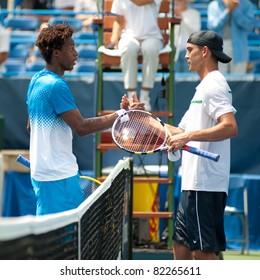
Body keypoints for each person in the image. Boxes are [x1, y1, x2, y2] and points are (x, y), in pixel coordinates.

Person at [26, 23, 143, 216]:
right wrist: (122, 114)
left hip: (41, 176)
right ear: (56, 53)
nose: (76, 53)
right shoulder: (56, 86)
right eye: (71, 48)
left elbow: (31, 127)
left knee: (49, 239)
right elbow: (81, 127)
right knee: (67, 242)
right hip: (59, 177)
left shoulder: (36, 81)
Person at [165, 30, 238, 260]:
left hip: (205, 185)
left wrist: (187, 137)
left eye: (190, 50)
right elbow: (179, 131)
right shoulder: (203, 88)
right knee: (181, 248)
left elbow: (229, 127)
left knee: (202, 253)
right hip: (192, 183)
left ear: (204, 51)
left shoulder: (214, 85)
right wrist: (143, 115)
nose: (186, 56)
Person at [107, 0, 165, 111]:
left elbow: (140, 2)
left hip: (152, 36)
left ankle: (144, 96)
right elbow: (119, 20)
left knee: (151, 49)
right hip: (129, 36)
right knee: (128, 49)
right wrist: (114, 38)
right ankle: (131, 98)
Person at [207, 0, 255, 73]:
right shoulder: (213, 5)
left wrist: (235, 10)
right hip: (218, 48)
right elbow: (213, 27)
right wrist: (227, 11)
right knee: (219, 80)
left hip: (240, 48)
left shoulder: (247, 4)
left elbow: (250, 26)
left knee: (239, 80)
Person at [174, 0, 201, 72]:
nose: (179, 3)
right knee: (174, 77)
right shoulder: (172, 14)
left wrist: (182, 18)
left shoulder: (194, 13)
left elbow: (195, 33)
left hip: (190, 51)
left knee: (188, 75)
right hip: (175, 50)